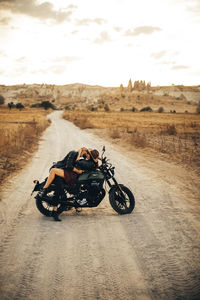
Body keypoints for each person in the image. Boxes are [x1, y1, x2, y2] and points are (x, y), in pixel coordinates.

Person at [38, 147, 100, 221]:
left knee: (55, 175)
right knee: (58, 185)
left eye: (87, 154)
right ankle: (54, 209)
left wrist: (81, 153)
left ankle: (47, 195)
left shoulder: (86, 162)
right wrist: (99, 158)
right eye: (86, 154)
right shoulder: (85, 159)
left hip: (70, 174)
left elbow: (76, 162)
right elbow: (89, 153)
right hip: (69, 173)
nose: (86, 156)